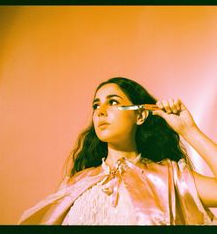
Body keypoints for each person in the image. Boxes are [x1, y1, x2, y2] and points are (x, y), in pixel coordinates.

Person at [18, 77, 217, 225]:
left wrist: (189, 130)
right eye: (96, 105)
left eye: (113, 102)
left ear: (140, 115)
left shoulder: (169, 176)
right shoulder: (75, 183)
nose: (100, 111)